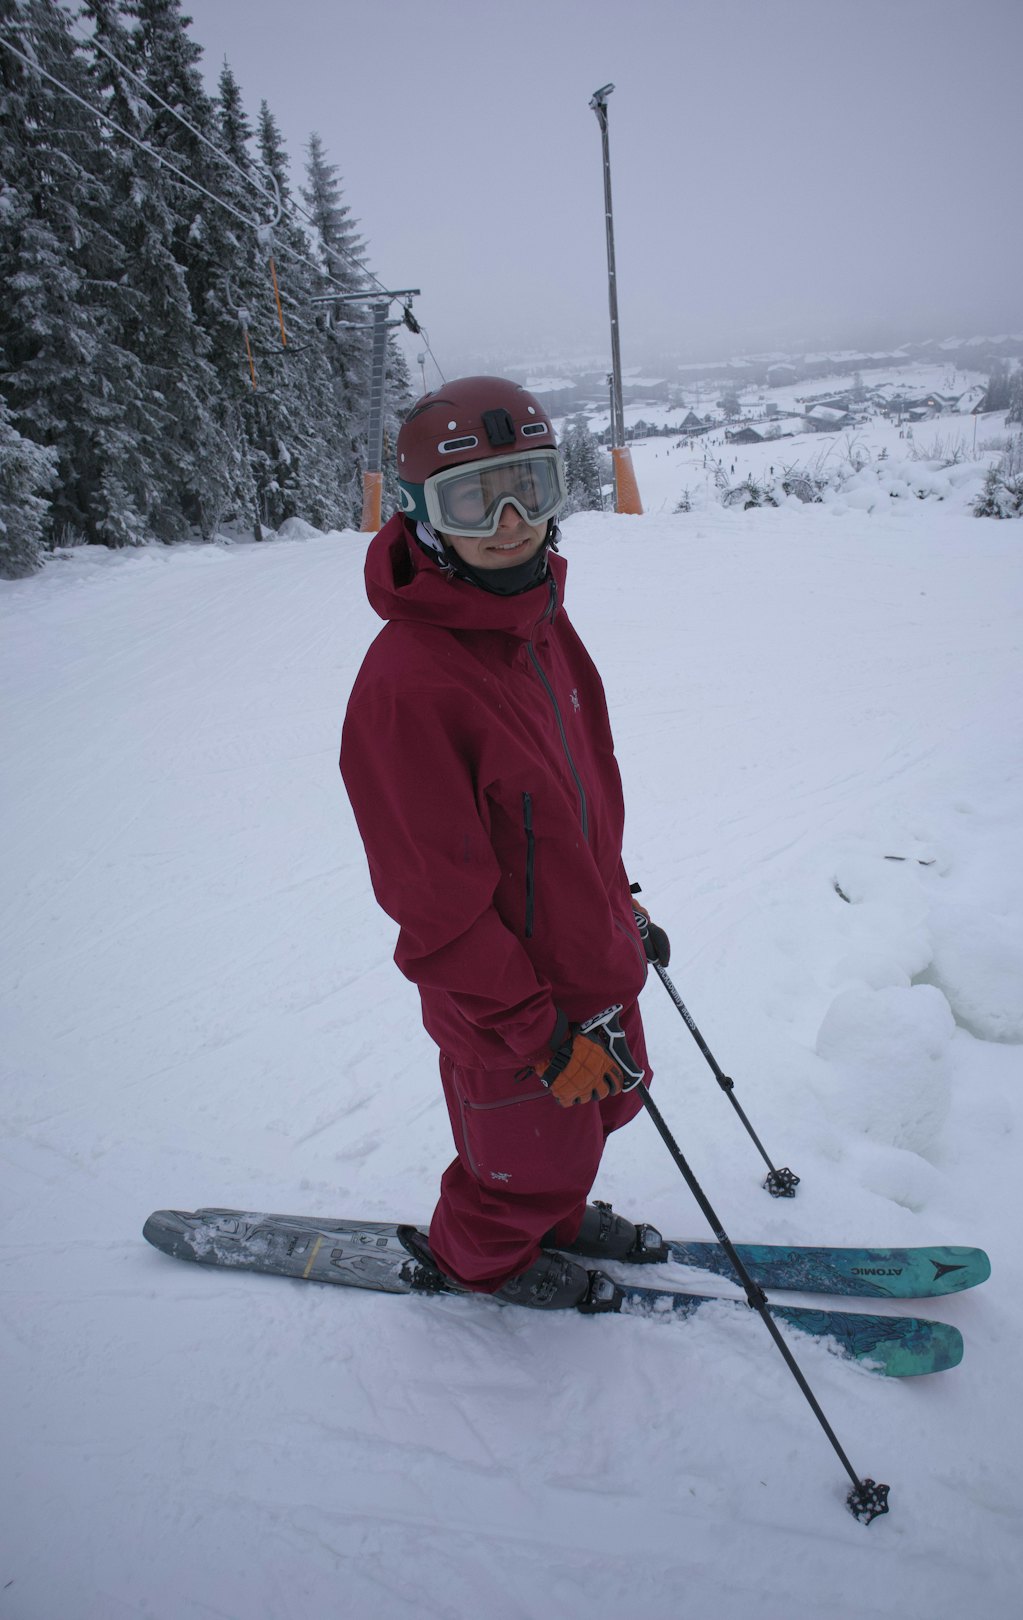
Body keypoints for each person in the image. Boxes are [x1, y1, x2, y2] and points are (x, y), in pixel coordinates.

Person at [339, 376, 670, 1312]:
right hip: (513, 1013)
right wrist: (540, 1036)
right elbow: (438, 916)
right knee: (515, 1169)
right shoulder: (410, 687)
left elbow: (570, 806)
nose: (512, 518)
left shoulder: (537, 619)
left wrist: (618, 907)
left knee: (591, 1124)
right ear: (420, 513)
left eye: (531, 482)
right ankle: (483, 1257)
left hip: (585, 970)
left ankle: (553, 1212)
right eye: (475, 497)